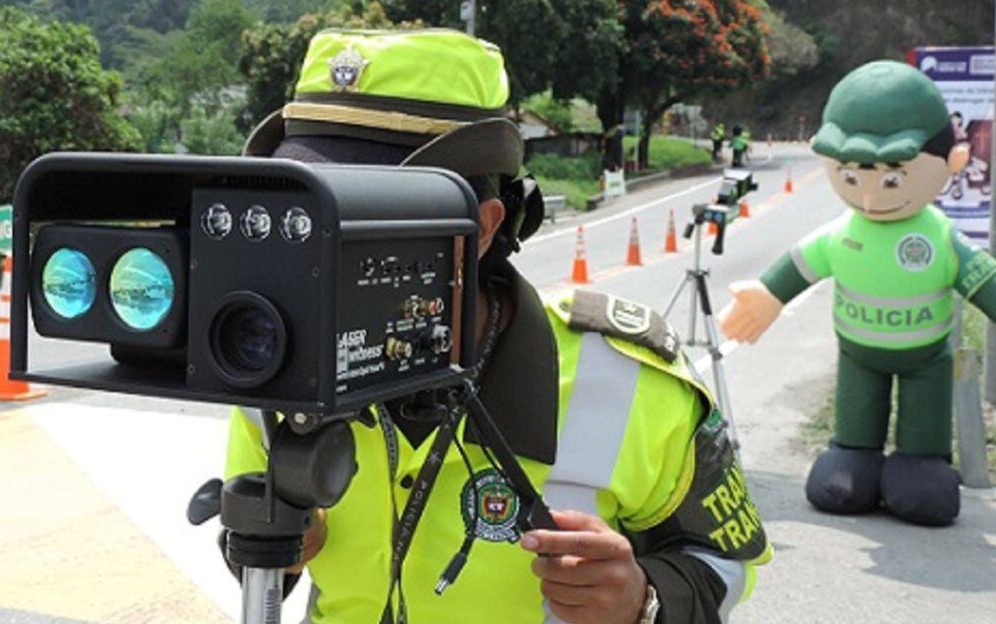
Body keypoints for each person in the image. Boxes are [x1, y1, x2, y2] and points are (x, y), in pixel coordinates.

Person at [223, 28, 770, 623]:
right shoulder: (273, 363)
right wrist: (273, 550)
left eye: (361, 216)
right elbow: (259, 558)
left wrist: (644, 597)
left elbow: (726, 561)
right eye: (306, 212)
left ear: (480, 226)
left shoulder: (631, 381)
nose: (322, 248)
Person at [719, 61, 995, 527]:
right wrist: (768, 296)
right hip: (857, 356)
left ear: (953, 160)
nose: (870, 199)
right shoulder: (840, 234)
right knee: (849, 451)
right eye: (850, 177)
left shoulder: (941, 237)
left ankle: (921, 462)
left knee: (923, 468)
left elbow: (983, 282)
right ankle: (853, 455)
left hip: (927, 358)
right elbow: (798, 267)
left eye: (890, 178)